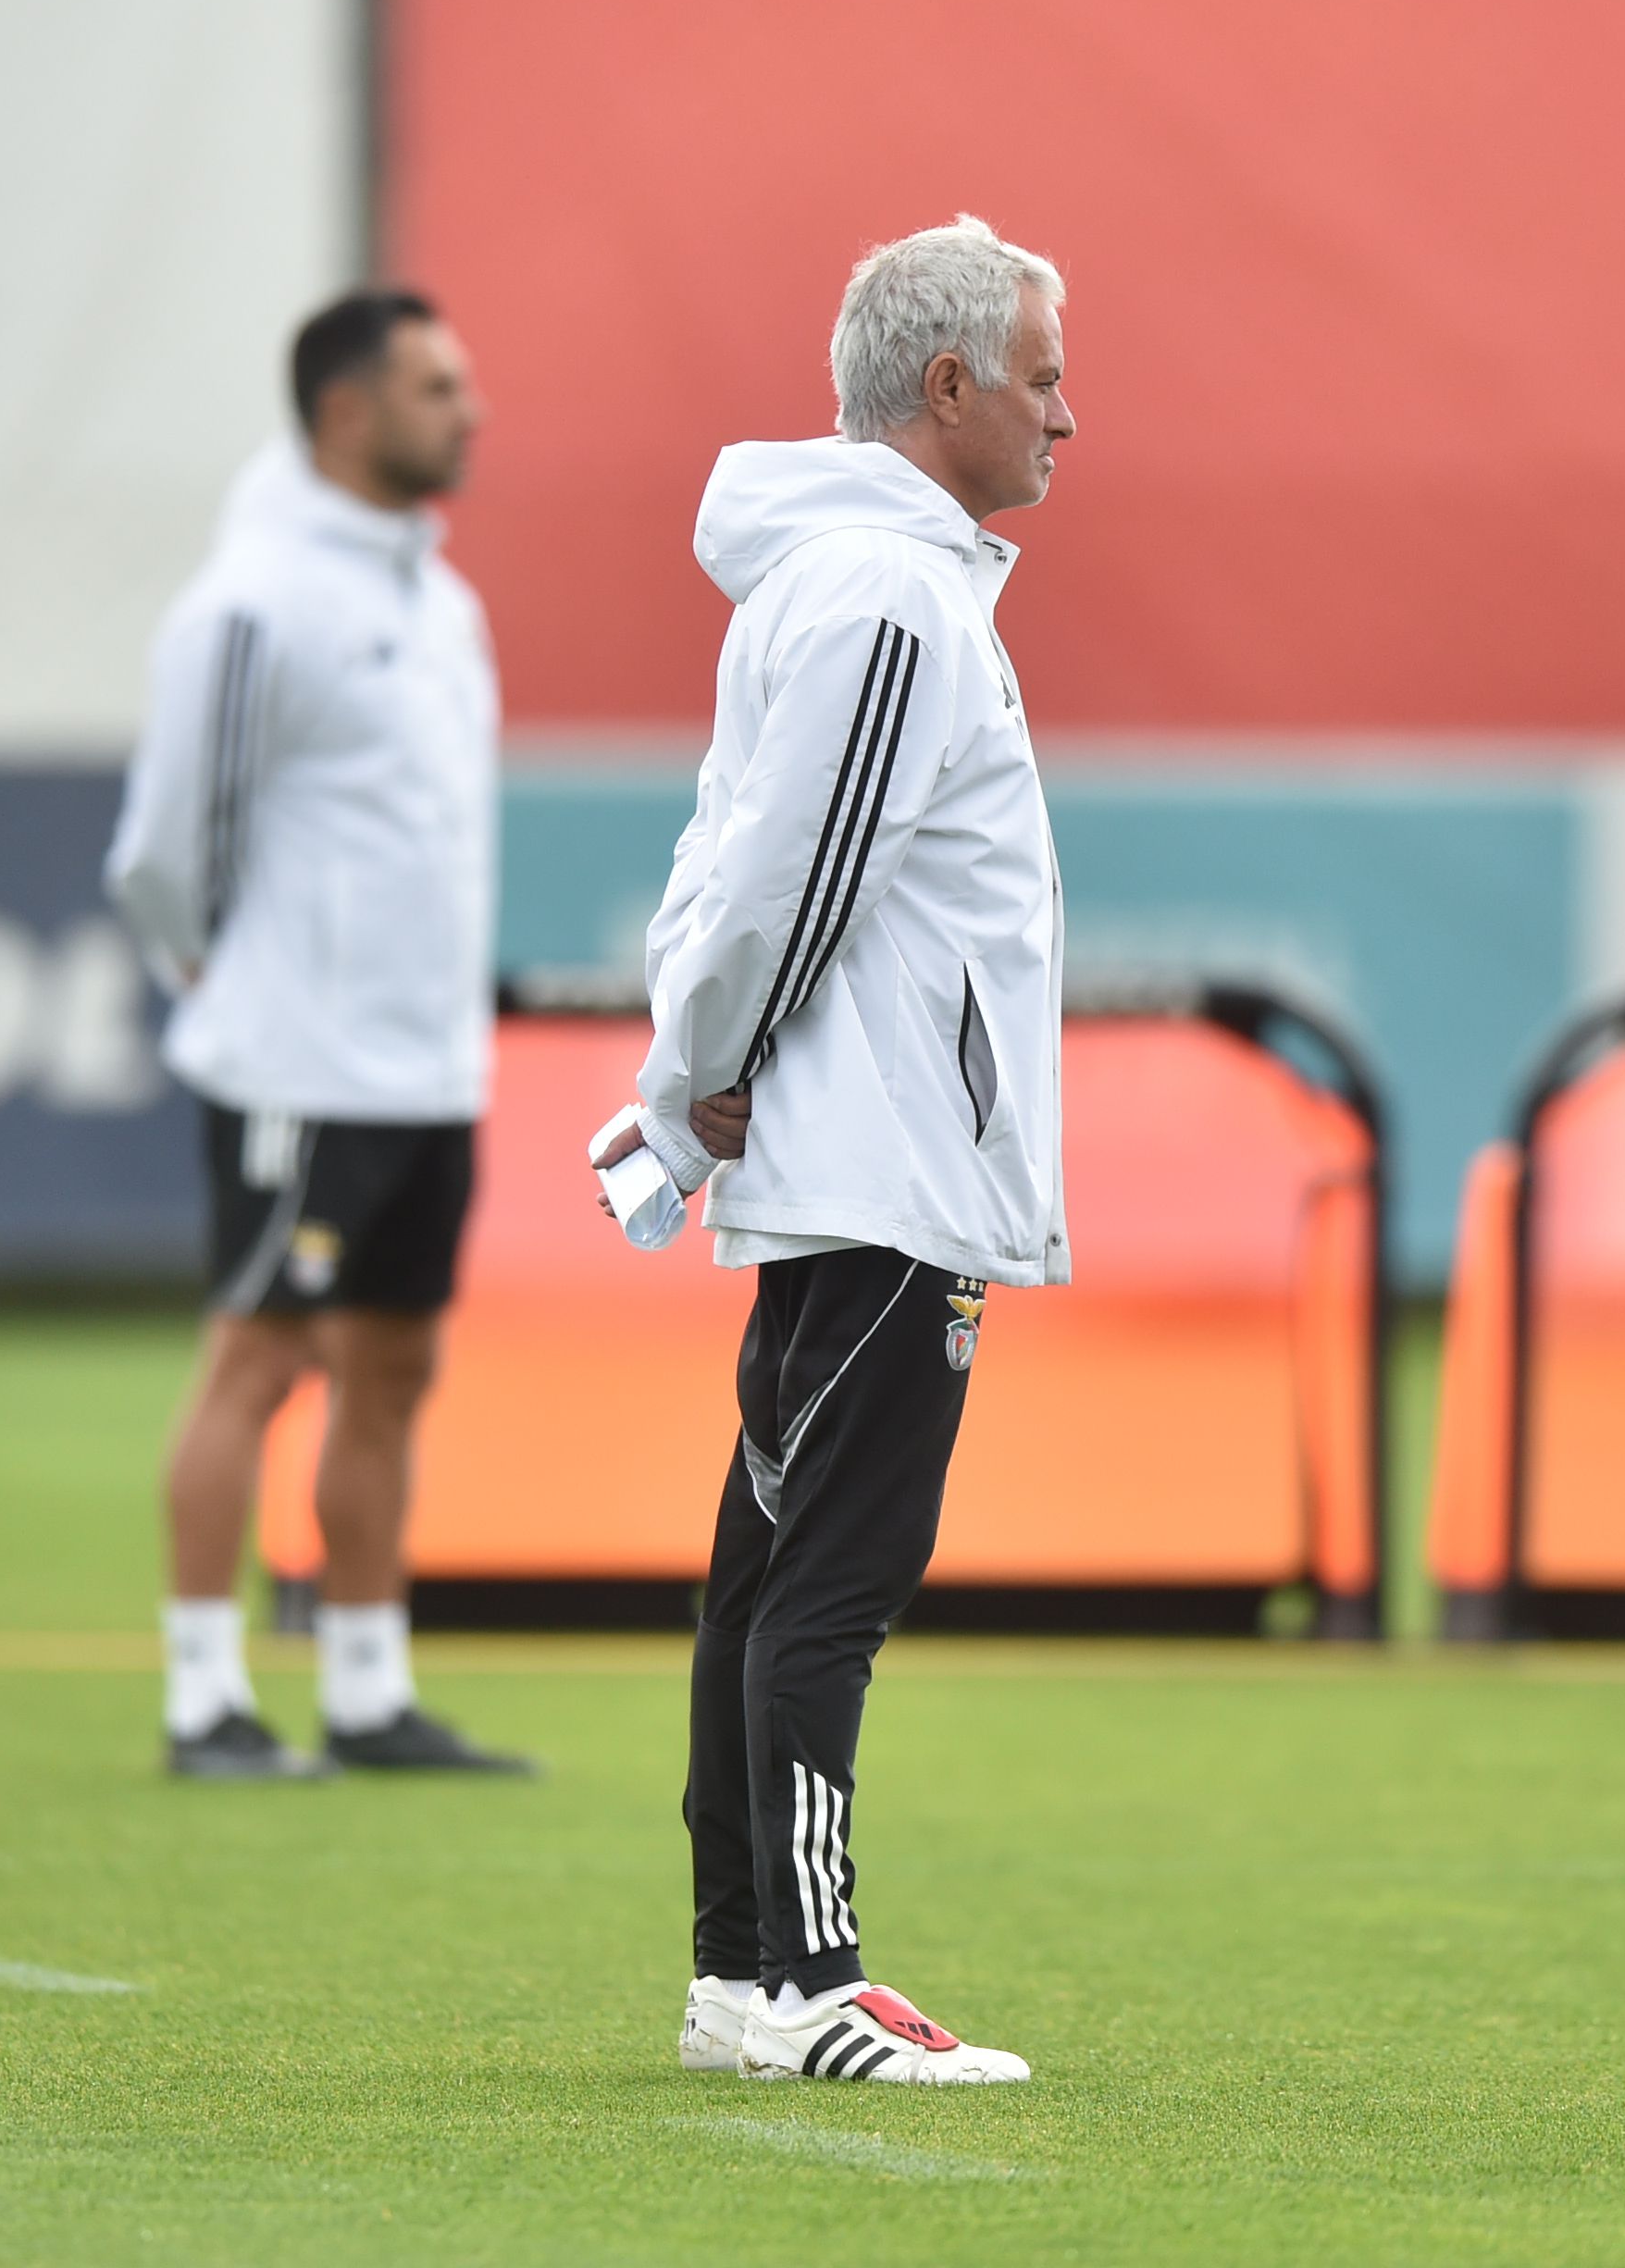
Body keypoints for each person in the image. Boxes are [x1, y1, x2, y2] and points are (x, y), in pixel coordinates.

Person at [591, 216, 1074, 2082]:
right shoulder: (891, 597)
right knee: (832, 1582)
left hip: (848, 1149)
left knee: (769, 1568)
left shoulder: (838, 583)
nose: (1065, 416)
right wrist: (696, 1074)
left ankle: (738, 1977)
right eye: (1042, 374)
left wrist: (691, 1072)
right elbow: (799, 871)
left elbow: (729, 857)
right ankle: (813, 1980)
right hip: (883, 1161)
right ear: (946, 386)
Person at [105, 289, 531, 1779]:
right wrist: (228, 993)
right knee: (260, 1359)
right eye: (437, 385)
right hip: (299, 1064)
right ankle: (202, 1697)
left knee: (394, 1368)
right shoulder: (251, 600)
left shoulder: (442, 601)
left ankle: (365, 1691)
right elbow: (168, 842)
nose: (470, 411)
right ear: (346, 413)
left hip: (426, 1068)